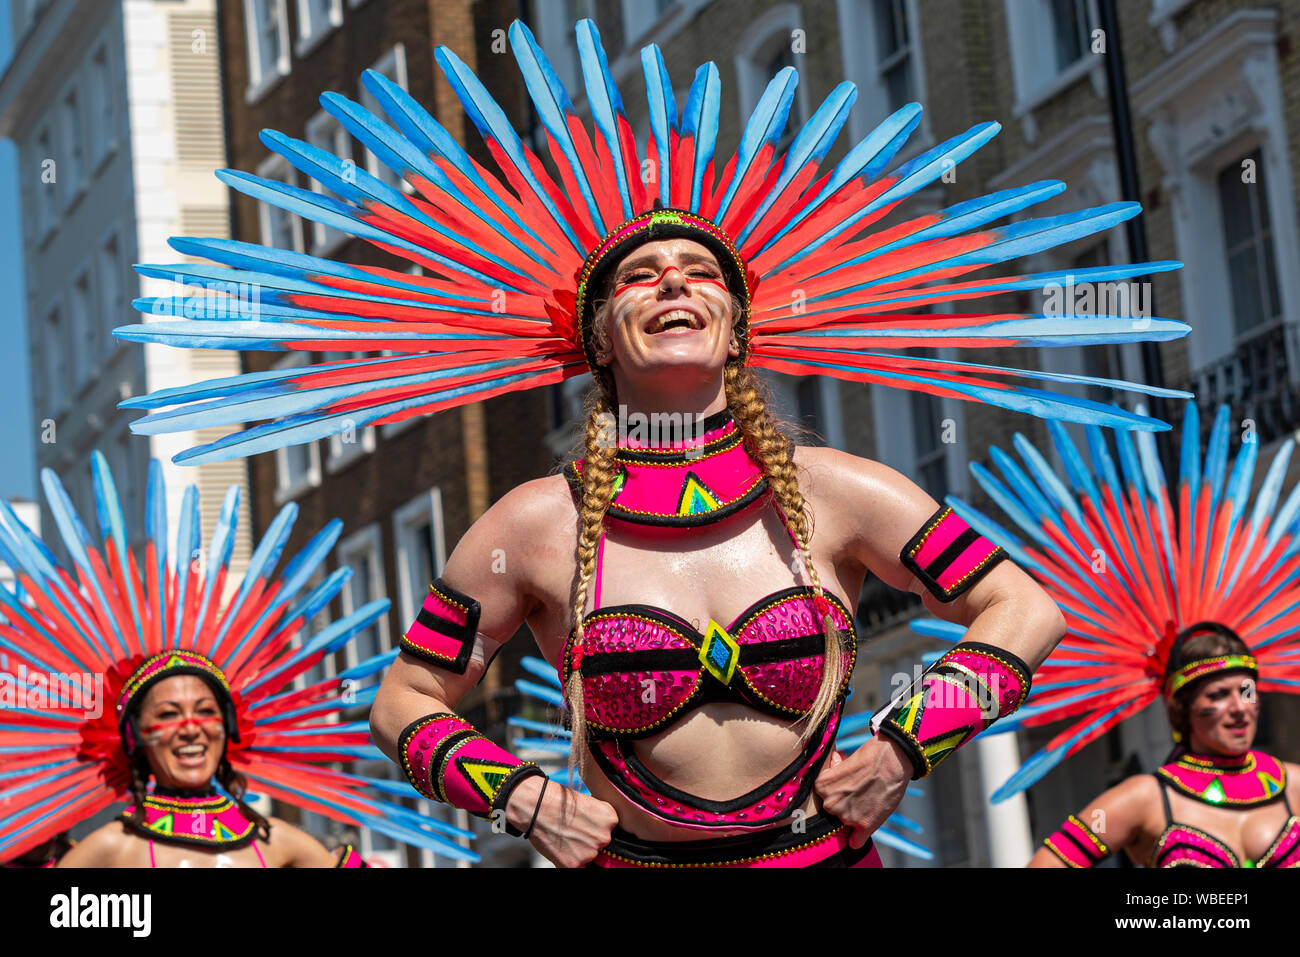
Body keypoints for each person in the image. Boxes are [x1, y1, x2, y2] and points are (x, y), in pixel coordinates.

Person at [112, 19, 1186, 867]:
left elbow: (1026, 607)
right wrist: (521, 798)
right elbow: (405, 697)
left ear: (734, 321)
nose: (673, 280)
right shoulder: (533, 525)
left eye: (700, 272)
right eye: (638, 274)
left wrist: (901, 751)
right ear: (596, 336)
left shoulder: (837, 491)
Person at [0, 455, 470, 867]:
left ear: (228, 727)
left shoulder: (277, 843)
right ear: (135, 737)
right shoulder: (109, 852)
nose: (191, 728)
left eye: (205, 712)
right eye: (167, 714)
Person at [940, 402, 1300, 868]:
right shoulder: (1143, 800)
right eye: (1219, 694)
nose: (1239, 707)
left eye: (1245, 691)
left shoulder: (1294, 785)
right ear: (1181, 708)